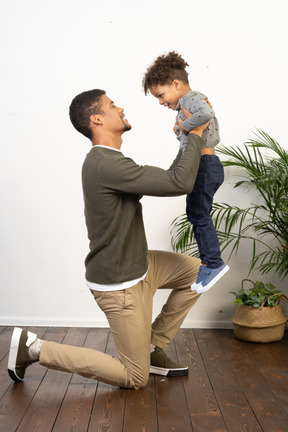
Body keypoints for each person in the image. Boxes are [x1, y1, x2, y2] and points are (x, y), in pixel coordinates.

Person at [8, 89, 209, 390]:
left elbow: (172, 176)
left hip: (141, 264)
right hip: (121, 284)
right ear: (97, 118)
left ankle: (151, 347)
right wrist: (194, 134)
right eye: (113, 105)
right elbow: (178, 182)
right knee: (135, 377)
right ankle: (34, 348)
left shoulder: (112, 161)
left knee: (202, 272)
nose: (121, 108)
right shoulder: (105, 164)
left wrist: (185, 137)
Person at [143, 51, 229, 294]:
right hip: (202, 165)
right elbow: (188, 147)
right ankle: (208, 263)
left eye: (161, 95)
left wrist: (184, 125)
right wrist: (181, 131)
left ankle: (214, 263)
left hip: (205, 165)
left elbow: (205, 115)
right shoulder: (183, 105)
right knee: (195, 214)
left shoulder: (191, 98)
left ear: (176, 84)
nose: (160, 101)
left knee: (199, 215)